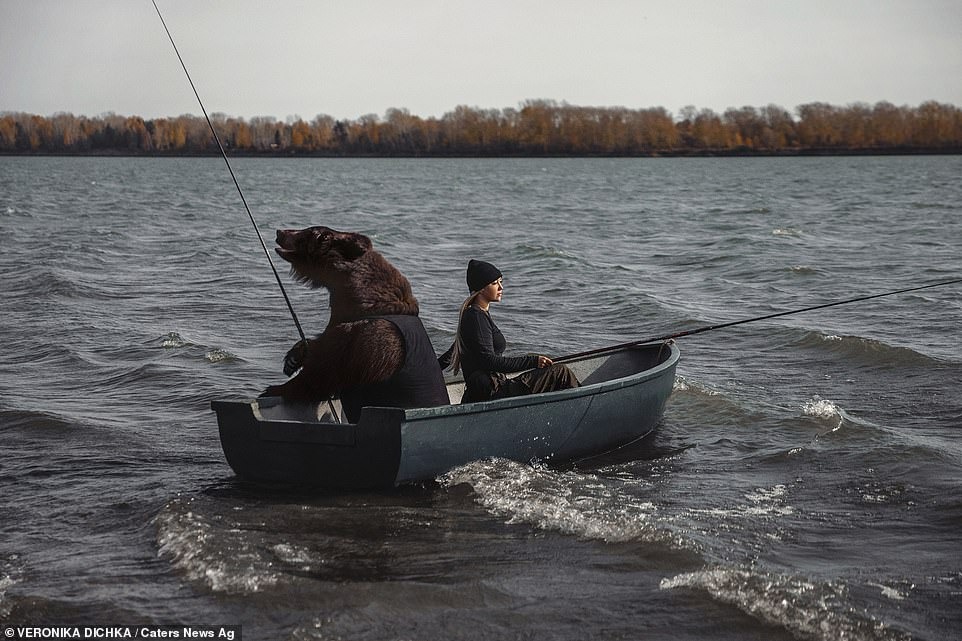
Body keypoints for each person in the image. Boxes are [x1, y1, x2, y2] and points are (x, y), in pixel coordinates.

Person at [439, 259, 579, 403]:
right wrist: (532, 361)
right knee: (560, 372)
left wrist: (426, 370)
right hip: (493, 392)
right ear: (481, 289)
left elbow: (452, 353)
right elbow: (490, 361)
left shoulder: (476, 315)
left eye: (501, 281)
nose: (501, 287)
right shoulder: (476, 317)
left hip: (492, 389)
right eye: (494, 284)